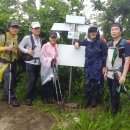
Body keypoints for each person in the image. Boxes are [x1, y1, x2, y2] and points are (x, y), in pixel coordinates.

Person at [75, 26, 108, 108]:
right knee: (87, 84)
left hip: (97, 67)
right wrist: (76, 43)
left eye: (94, 32)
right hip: (88, 67)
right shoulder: (86, 41)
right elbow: (79, 41)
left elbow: (105, 55)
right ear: (89, 33)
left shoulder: (101, 42)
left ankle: (94, 100)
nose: (93, 33)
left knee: (95, 84)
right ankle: (87, 100)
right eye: (91, 32)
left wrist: (104, 66)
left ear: (97, 33)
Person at [104, 23, 130, 115]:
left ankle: (114, 115)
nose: (114, 31)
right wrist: (106, 71)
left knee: (115, 93)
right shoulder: (110, 43)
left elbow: (127, 60)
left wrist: (123, 76)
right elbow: (108, 58)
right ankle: (116, 109)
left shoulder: (125, 44)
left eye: (116, 29)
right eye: (112, 30)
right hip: (109, 72)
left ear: (121, 31)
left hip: (118, 73)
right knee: (112, 92)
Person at [19, 22, 42, 106]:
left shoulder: (40, 39)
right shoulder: (27, 38)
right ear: (32, 29)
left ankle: (32, 96)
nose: (37, 30)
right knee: (31, 80)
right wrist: (27, 51)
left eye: (38, 28)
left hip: (38, 63)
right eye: (35, 28)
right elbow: (20, 46)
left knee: (35, 80)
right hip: (30, 62)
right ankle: (28, 98)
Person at [0, 20, 20, 107]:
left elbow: (16, 49)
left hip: (13, 62)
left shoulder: (16, 38)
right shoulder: (3, 36)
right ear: (9, 28)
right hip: (4, 63)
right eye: (13, 27)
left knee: (10, 80)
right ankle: (11, 98)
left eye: (16, 27)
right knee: (9, 79)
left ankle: (5, 96)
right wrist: (7, 48)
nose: (15, 29)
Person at [40, 32, 61, 104]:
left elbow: (58, 56)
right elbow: (41, 57)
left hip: (54, 67)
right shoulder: (45, 46)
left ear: (56, 38)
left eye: (54, 37)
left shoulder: (57, 46)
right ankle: (44, 98)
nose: (53, 39)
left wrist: (55, 60)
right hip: (46, 67)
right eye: (52, 37)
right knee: (45, 82)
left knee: (51, 83)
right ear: (49, 38)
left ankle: (49, 97)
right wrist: (50, 59)